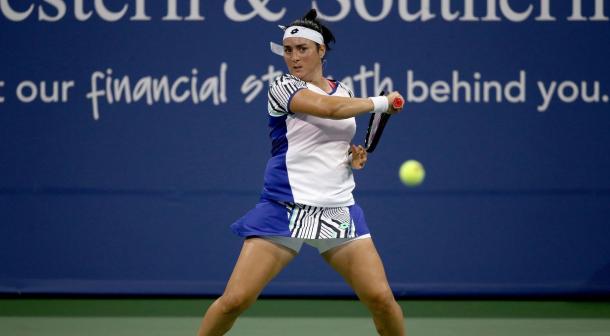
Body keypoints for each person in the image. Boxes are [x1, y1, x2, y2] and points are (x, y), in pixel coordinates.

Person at [198, 9, 406, 336]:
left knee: (381, 298)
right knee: (235, 300)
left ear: (321, 51)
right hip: (285, 208)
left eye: (302, 49)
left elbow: (333, 133)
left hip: (336, 208)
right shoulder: (282, 87)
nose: (294, 57)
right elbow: (329, 110)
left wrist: (352, 157)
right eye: (288, 50)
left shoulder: (344, 91)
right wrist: (381, 102)